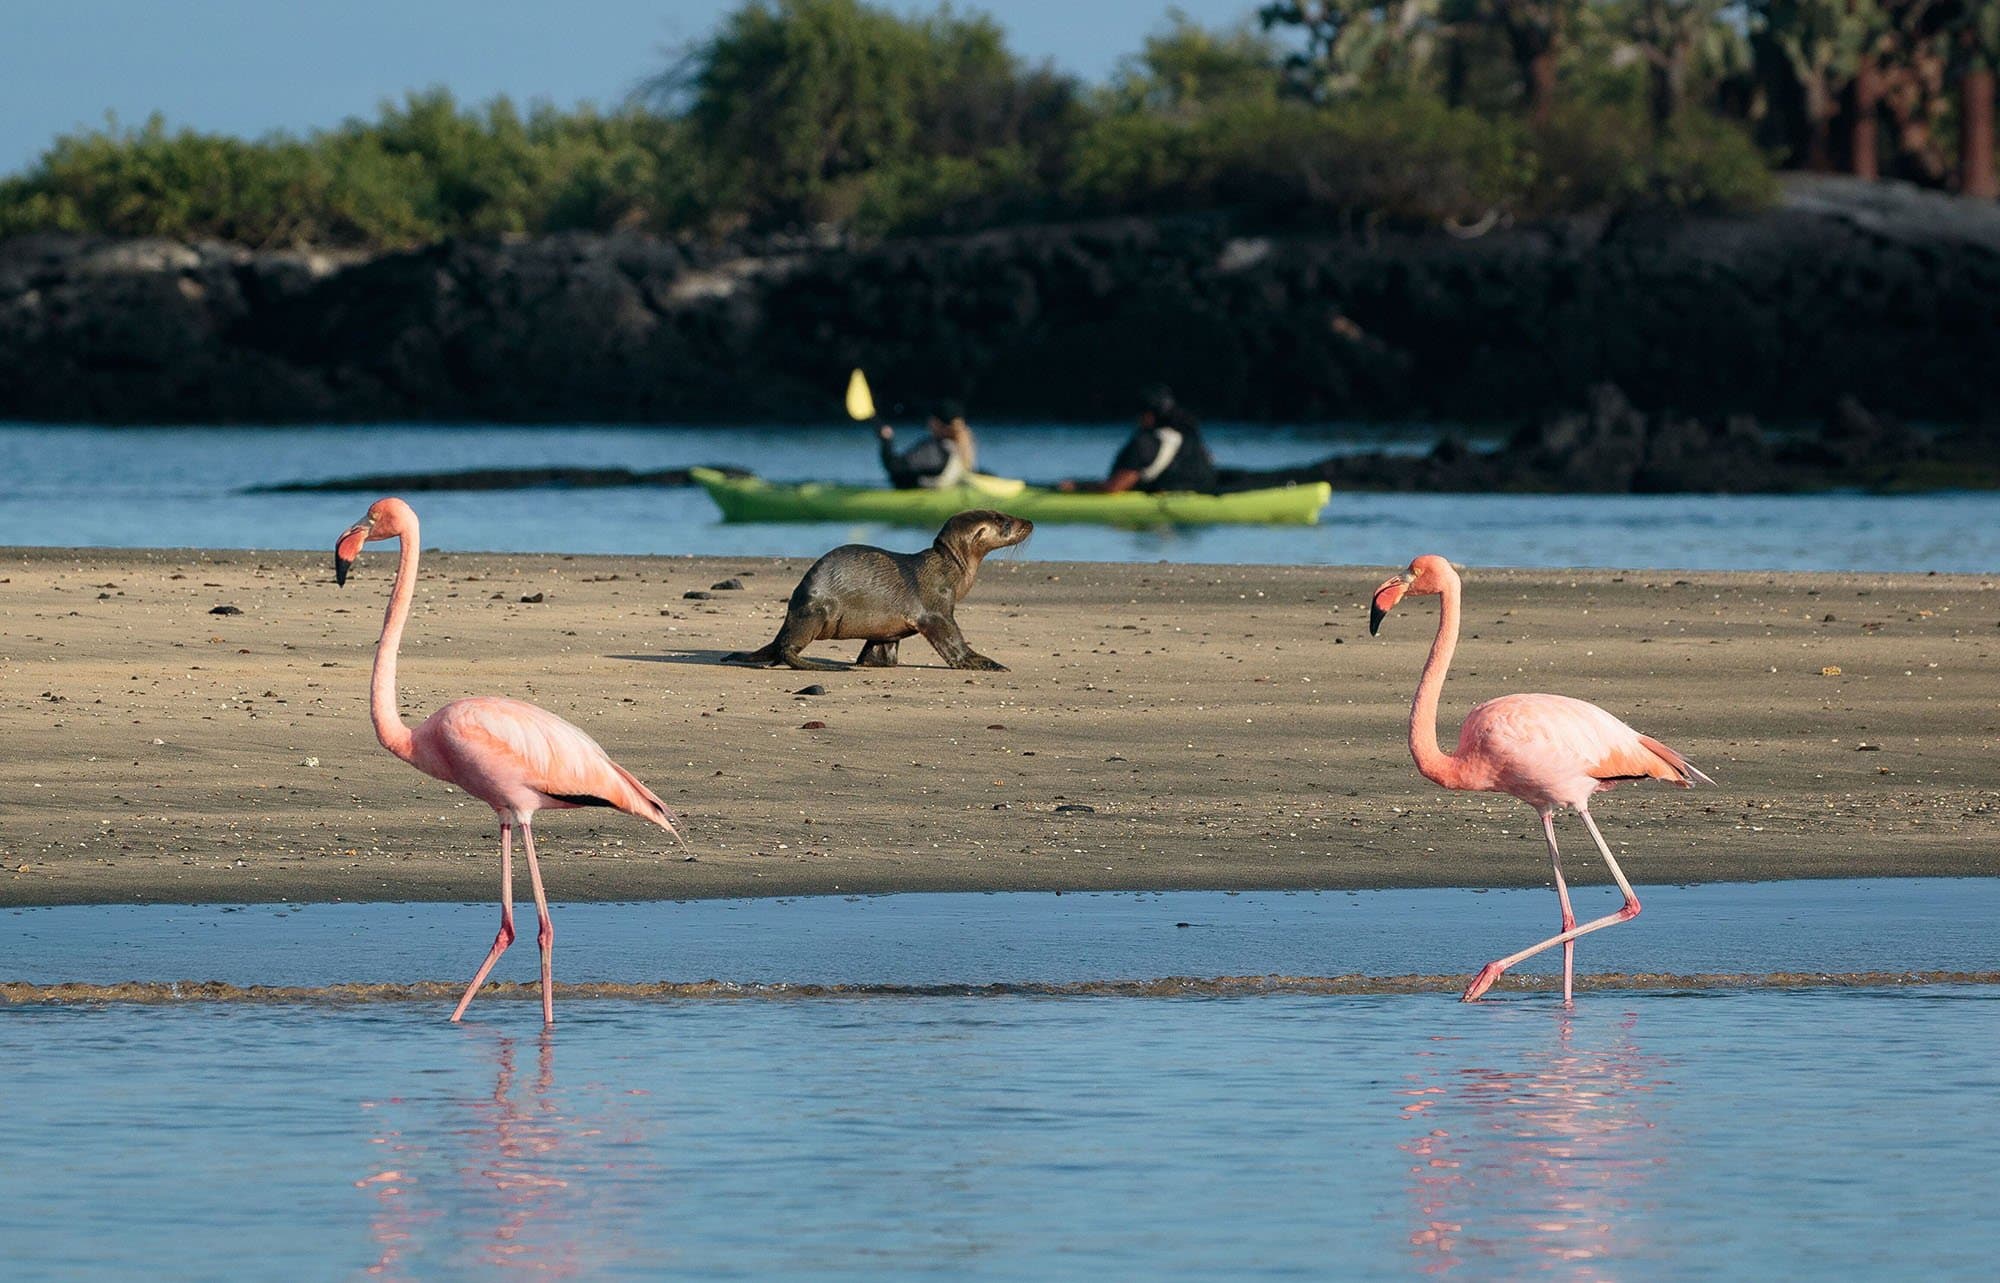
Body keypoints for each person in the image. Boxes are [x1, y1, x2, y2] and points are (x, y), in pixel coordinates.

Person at [1058, 385, 1217, 493]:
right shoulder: (1189, 433)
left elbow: (1115, 487)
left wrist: (1078, 486)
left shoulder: (1145, 443)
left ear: (1148, 416)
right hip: (1203, 492)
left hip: (1170, 499)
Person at [879, 400, 977, 489]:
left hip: (919, 499)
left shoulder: (934, 449)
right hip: (946, 491)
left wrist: (886, 440)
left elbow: (894, 467)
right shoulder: (963, 446)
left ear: (935, 422)